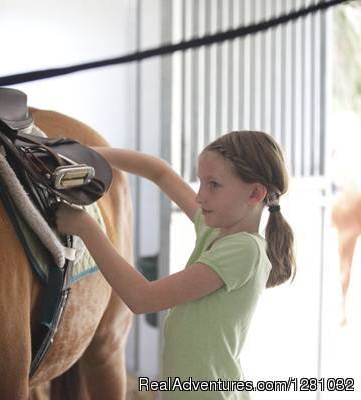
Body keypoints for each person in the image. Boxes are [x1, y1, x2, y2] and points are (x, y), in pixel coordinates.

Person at [55, 130, 295, 399]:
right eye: (201, 182)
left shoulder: (245, 250)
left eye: (213, 184)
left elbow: (142, 298)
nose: (200, 196)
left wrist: (86, 228)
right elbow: (159, 172)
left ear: (255, 193)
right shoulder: (215, 230)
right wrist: (84, 155)